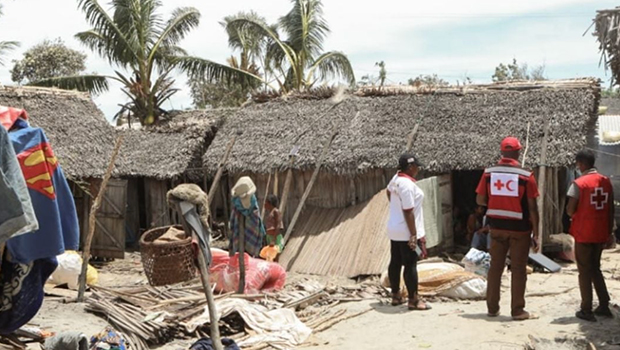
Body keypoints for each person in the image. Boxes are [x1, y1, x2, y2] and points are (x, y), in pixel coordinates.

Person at [476, 136, 540, 321]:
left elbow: (480, 200)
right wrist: (536, 233)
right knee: (519, 269)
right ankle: (517, 311)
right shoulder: (526, 175)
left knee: (495, 267)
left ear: (502, 152)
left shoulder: (488, 173)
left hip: (496, 228)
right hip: (520, 229)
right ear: (518, 152)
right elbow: (533, 207)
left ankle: (492, 308)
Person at [566, 149, 614, 322]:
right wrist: (610, 232)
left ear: (582, 164)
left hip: (584, 233)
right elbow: (611, 209)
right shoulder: (606, 182)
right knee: (596, 268)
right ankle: (604, 304)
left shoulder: (578, 184)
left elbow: (570, 209)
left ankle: (586, 309)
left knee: (584, 271)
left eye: (578, 164)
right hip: (601, 232)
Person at [386, 153, 431, 311]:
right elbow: (408, 211)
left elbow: (388, 192)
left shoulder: (396, 179)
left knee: (395, 261)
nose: (418, 169)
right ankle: (413, 299)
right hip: (407, 230)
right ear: (410, 167)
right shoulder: (406, 184)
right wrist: (413, 234)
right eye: (417, 167)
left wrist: (394, 209)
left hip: (394, 228)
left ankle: (396, 295)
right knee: (410, 265)